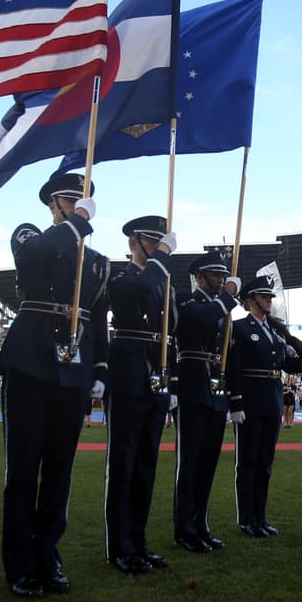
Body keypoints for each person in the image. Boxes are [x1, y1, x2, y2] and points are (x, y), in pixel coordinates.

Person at [0, 172, 109, 596]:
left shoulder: (97, 260)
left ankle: (48, 556)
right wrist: (75, 224)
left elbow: (98, 317)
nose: (78, 204)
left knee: (60, 469)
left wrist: (99, 369)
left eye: (82, 201)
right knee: (24, 467)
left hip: (74, 365)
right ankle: (20, 565)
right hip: (32, 358)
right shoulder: (31, 235)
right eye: (69, 200)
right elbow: (32, 260)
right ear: (53, 205)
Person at [105, 215, 177, 574]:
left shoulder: (164, 283)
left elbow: (171, 332)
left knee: (147, 463)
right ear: (134, 241)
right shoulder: (121, 276)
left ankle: (139, 542)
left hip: (157, 372)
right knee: (124, 464)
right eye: (152, 241)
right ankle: (119, 546)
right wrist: (160, 257)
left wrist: (172, 380)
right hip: (129, 368)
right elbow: (132, 293)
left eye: (161, 242)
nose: (159, 248)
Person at [225, 276, 302, 536]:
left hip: (272, 401)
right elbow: (232, 368)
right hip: (249, 401)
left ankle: (260, 517)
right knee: (247, 462)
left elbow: (285, 365)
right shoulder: (238, 328)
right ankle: (246, 518)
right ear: (250, 300)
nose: (269, 300)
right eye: (264, 296)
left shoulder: (276, 331)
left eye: (269, 296)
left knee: (265, 463)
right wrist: (234, 400)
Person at [173, 249, 239, 554]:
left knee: (208, 463)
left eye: (224, 275)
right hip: (192, 381)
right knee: (190, 463)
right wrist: (226, 298)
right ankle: (185, 528)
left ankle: (201, 525)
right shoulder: (186, 299)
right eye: (216, 275)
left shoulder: (221, 308)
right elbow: (198, 322)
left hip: (215, 388)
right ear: (200, 277)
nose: (222, 280)